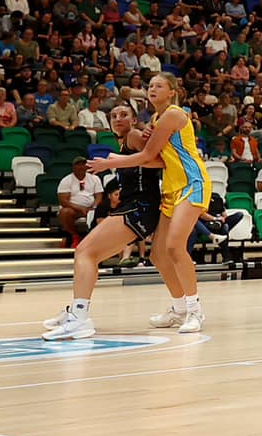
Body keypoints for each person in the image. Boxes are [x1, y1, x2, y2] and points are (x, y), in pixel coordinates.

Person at [57, 74, 215, 336]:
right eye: (150, 86)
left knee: (175, 247)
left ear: (172, 92)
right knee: (158, 255)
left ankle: (194, 309)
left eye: (159, 86)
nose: (152, 89)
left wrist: (110, 162)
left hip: (193, 183)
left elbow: (147, 155)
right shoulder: (155, 121)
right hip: (172, 189)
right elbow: (155, 157)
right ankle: (178, 309)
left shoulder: (173, 115)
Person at [39, 102, 169, 339]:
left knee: (85, 253)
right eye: (114, 116)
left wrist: (113, 162)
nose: (118, 119)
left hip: (141, 207)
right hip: (133, 206)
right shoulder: (125, 140)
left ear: (133, 119)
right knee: (90, 255)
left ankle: (79, 317)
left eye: (124, 115)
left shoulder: (134, 135)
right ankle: (76, 310)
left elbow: (161, 160)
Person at [57, 156, 103, 246]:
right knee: (65, 212)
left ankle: (96, 240)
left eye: (83, 164)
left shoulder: (95, 178)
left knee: (103, 211)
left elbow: (99, 196)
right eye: (78, 165)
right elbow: (63, 201)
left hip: (91, 208)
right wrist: (80, 208)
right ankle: (74, 236)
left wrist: (94, 207)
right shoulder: (66, 180)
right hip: (74, 209)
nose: (81, 167)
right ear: (73, 167)